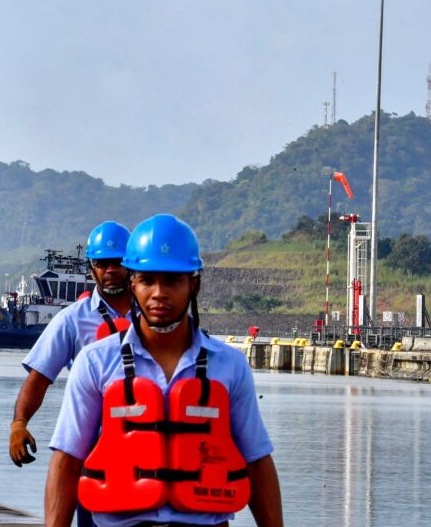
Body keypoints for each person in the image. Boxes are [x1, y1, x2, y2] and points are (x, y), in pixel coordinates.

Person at [45, 214, 284, 527]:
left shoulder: (229, 365)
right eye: (147, 280)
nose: (159, 292)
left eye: (172, 280)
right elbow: (68, 460)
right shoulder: (95, 362)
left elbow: (256, 461)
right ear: (133, 284)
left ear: (194, 284)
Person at [10, 221, 135, 469]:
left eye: (117, 261)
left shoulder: (154, 316)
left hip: (147, 443)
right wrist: (19, 423)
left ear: (131, 264)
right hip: (90, 449)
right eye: (101, 263)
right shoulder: (71, 320)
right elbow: (38, 378)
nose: (110, 269)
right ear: (91, 269)